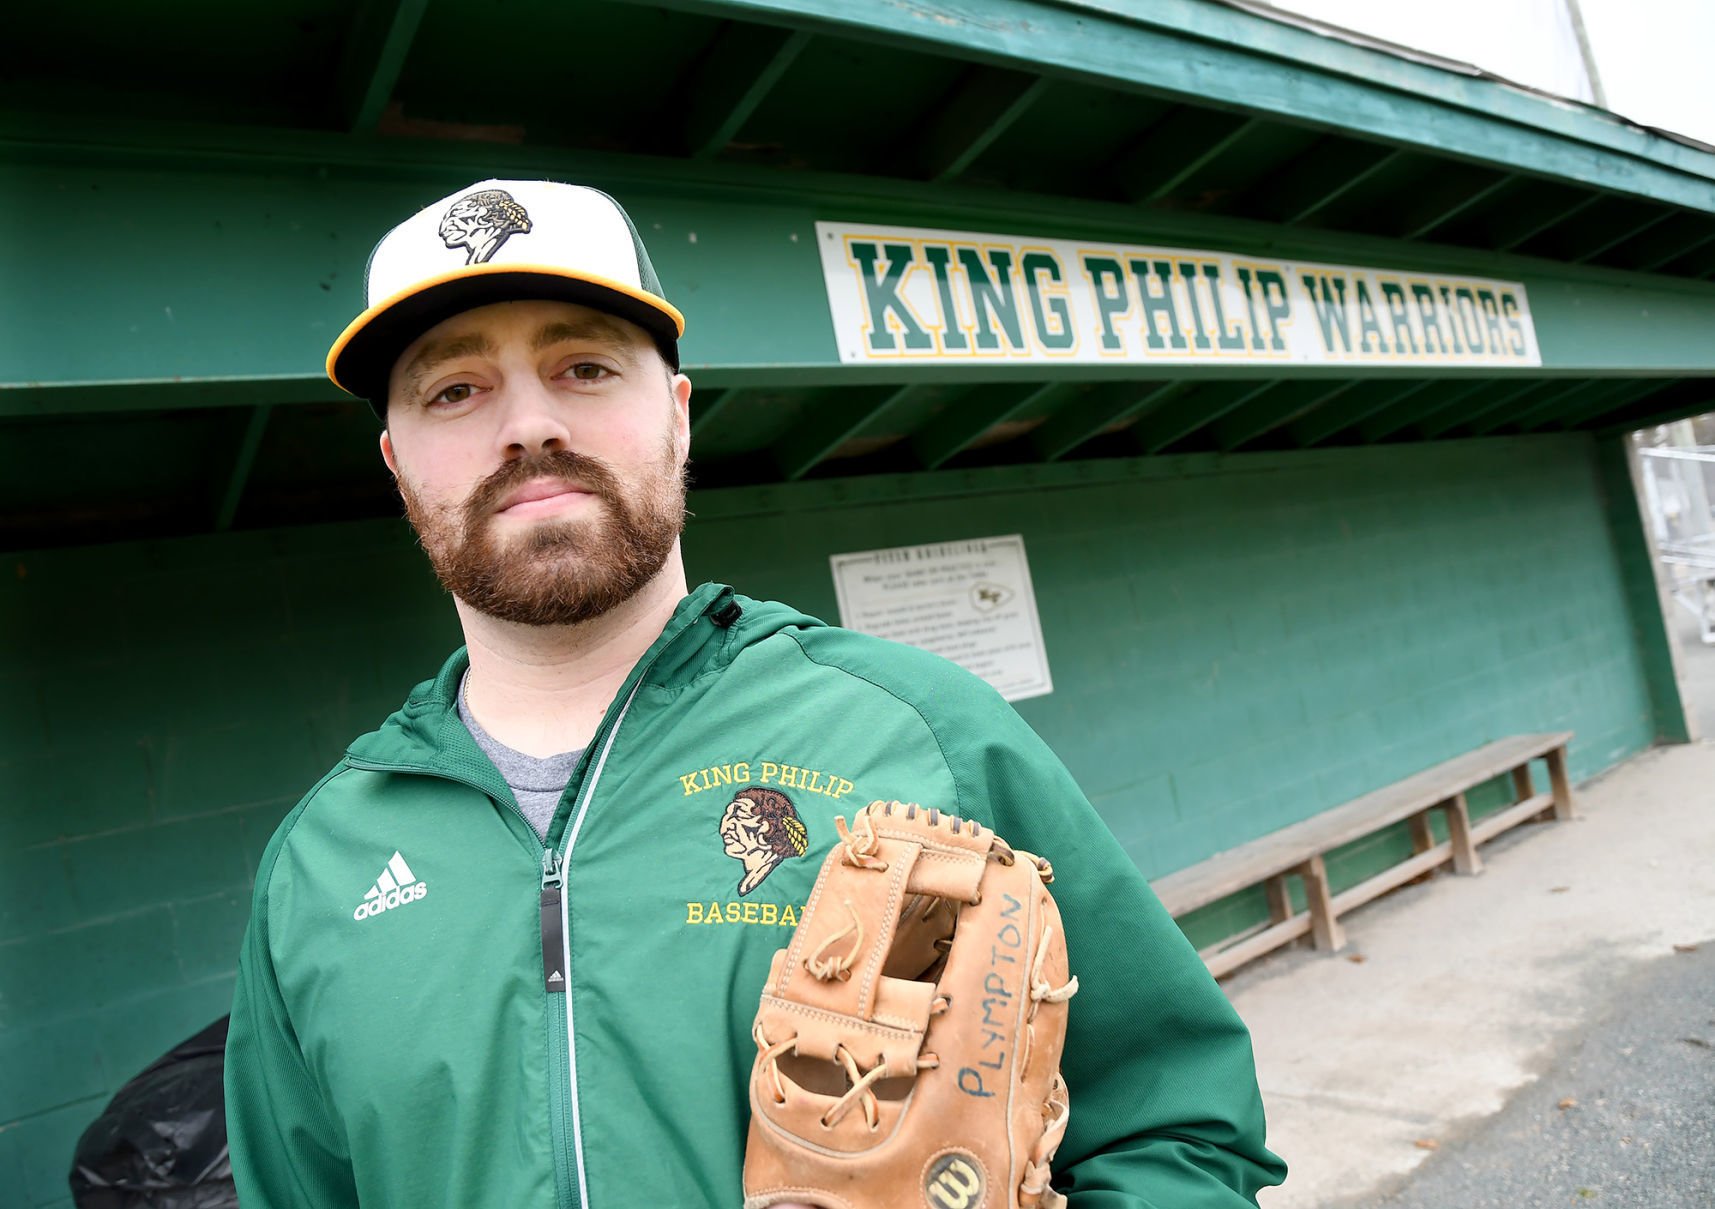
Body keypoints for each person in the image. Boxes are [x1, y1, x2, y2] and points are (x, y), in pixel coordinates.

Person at [224, 178, 1286, 1208]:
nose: (528, 426)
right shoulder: (320, 867)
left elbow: (1175, 1124)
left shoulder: (921, 734)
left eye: (585, 368)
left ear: (679, 414)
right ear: (396, 462)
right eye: (455, 390)